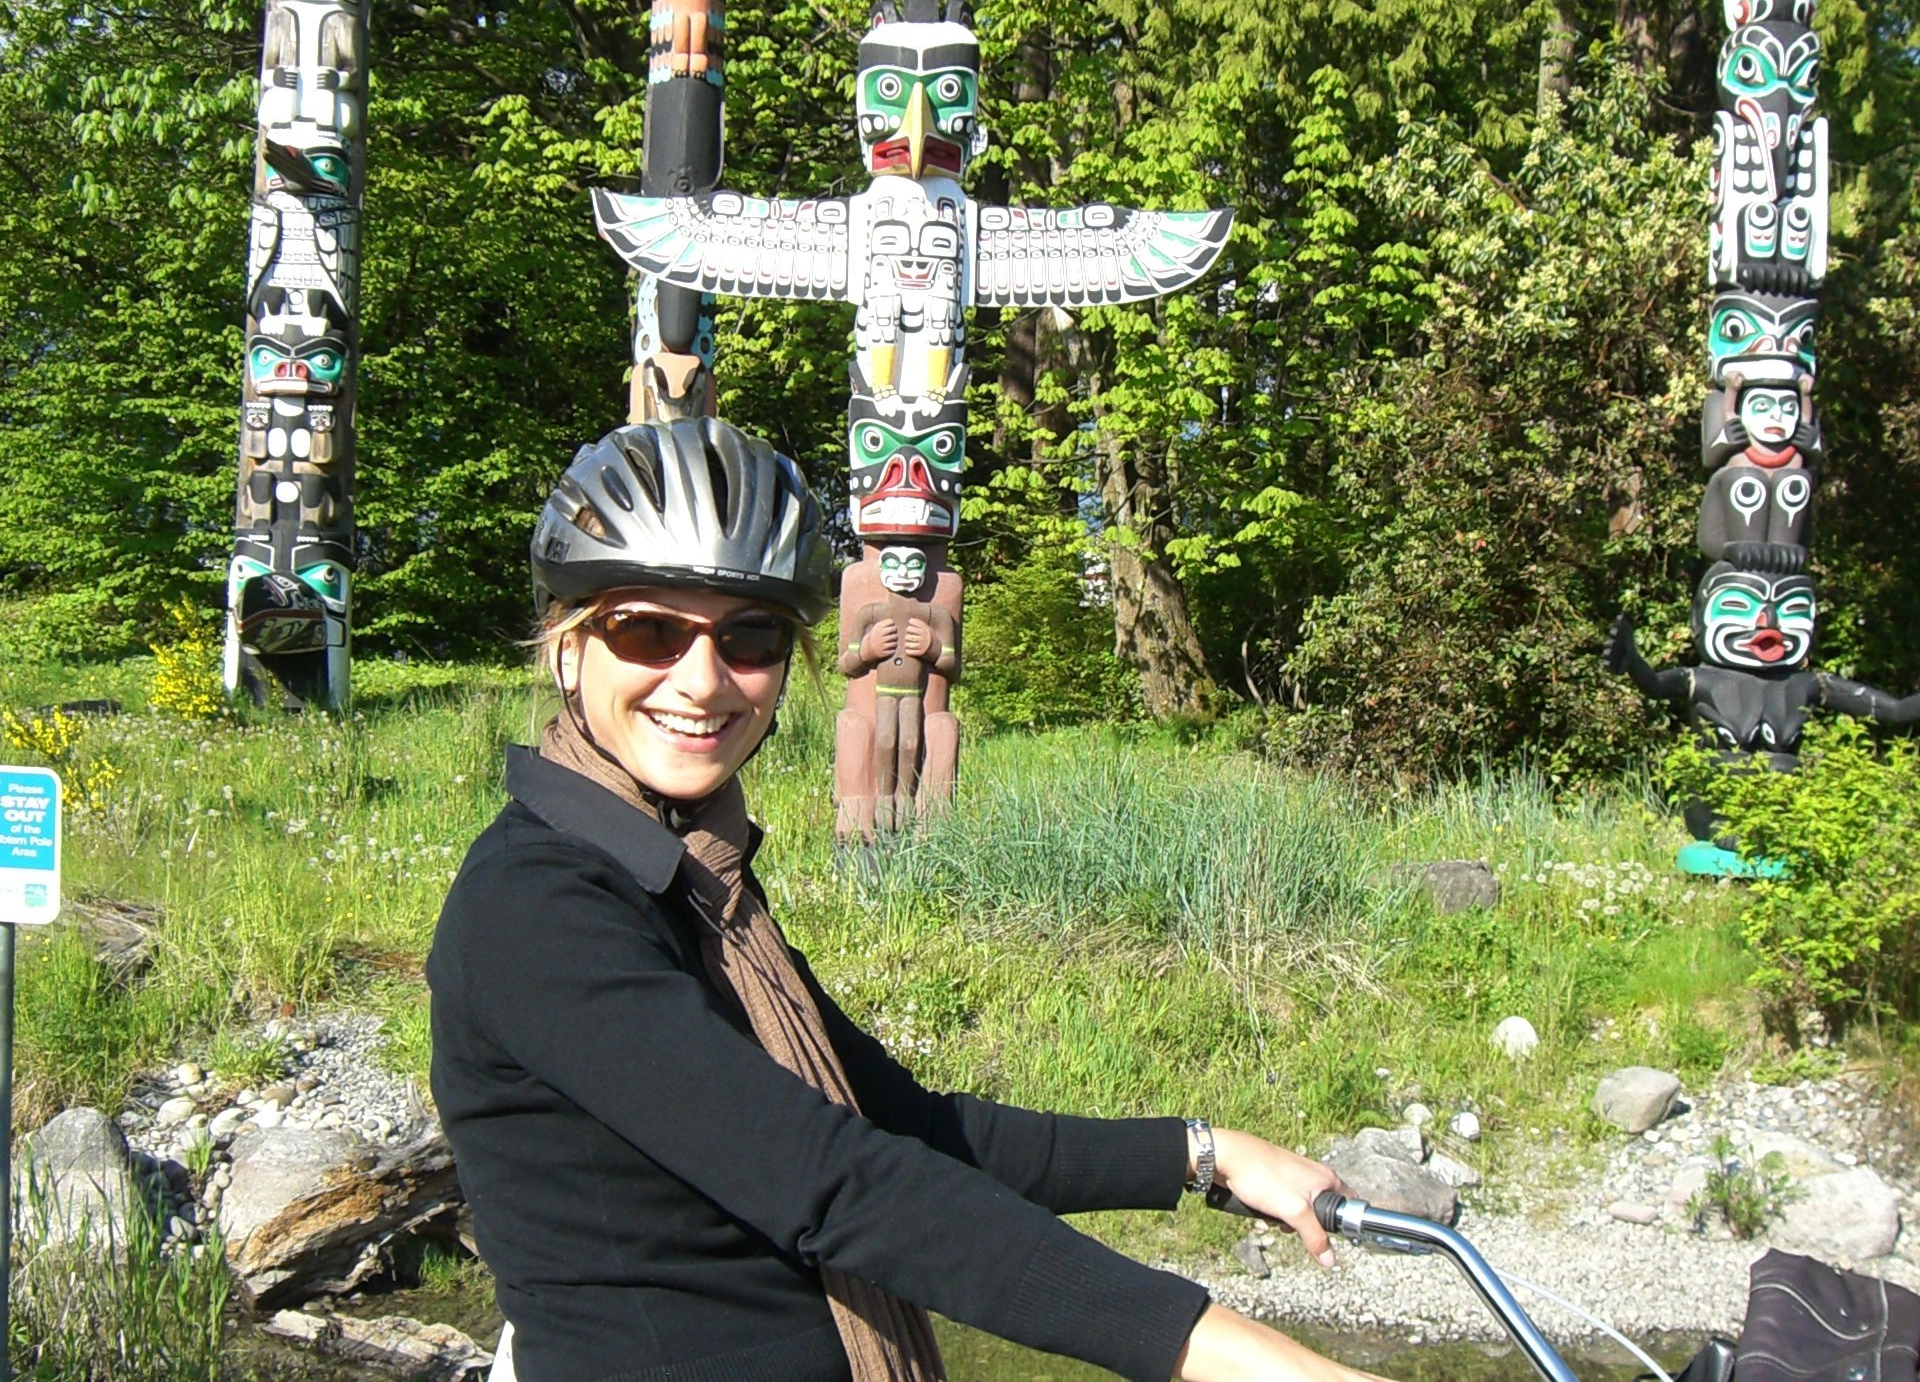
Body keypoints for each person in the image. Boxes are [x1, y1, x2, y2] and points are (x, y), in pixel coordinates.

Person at [428, 417, 1388, 1382]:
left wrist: (1206, 1155)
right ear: (566, 647)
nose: (703, 679)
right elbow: (841, 1187)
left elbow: (910, 1130)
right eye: (647, 629)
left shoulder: (694, 883)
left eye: (749, 636)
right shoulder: (538, 905)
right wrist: (1256, 1362)